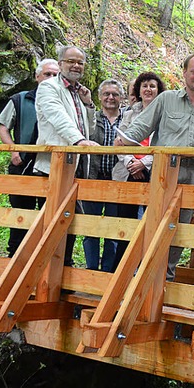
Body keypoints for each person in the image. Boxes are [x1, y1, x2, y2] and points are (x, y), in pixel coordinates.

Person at [116, 54, 194, 281]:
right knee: (155, 224)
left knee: (179, 230)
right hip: (164, 171)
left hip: (193, 174)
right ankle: (142, 276)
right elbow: (142, 126)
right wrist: (123, 141)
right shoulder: (166, 99)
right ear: (184, 73)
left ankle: (166, 279)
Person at [34, 45, 99, 266]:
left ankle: (64, 265)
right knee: (52, 218)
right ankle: (45, 270)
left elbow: (89, 126)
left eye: (80, 62)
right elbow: (58, 117)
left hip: (78, 163)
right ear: (60, 63)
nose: (76, 65)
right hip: (56, 163)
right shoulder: (49, 88)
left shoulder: (78, 92)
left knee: (70, 218)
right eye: (71, 61)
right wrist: (79, 141)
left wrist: (89, 103)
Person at [0, 58, 59, 257]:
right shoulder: (20, 99)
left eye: (55, 75)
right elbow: (3, 127)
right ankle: (14, 256)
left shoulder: (62, 101)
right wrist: (13, 150)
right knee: (20, 213)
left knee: (46, 213)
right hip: (22, 164)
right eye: (47, 74)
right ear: (37, 76)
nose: (51, 78)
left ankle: (41, 258)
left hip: (49, 166)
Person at [112, 71, 166, 267]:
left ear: (159, 90)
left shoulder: (165, 113)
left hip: (153, 170)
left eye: (152, 85)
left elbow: (166, 143)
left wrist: (144, 163)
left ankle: (146, 265)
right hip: (128, 172)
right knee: (125, 221)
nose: (148, 89)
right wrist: (130, 162)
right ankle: (122, 267)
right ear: (139, 90)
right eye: (145, 86)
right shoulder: (129, 113)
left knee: (151, 220)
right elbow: (119, 141)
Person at [82, 79, 125, 273]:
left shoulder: (127, 118)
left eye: (115, 94)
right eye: (106, 94)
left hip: (118, 181)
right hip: (93, 178)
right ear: (100, 97)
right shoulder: (92, 117)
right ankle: (91, 269)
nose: (110, 98)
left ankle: (107, 271)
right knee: (90, 227)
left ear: (121, 98)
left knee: (113, 228)